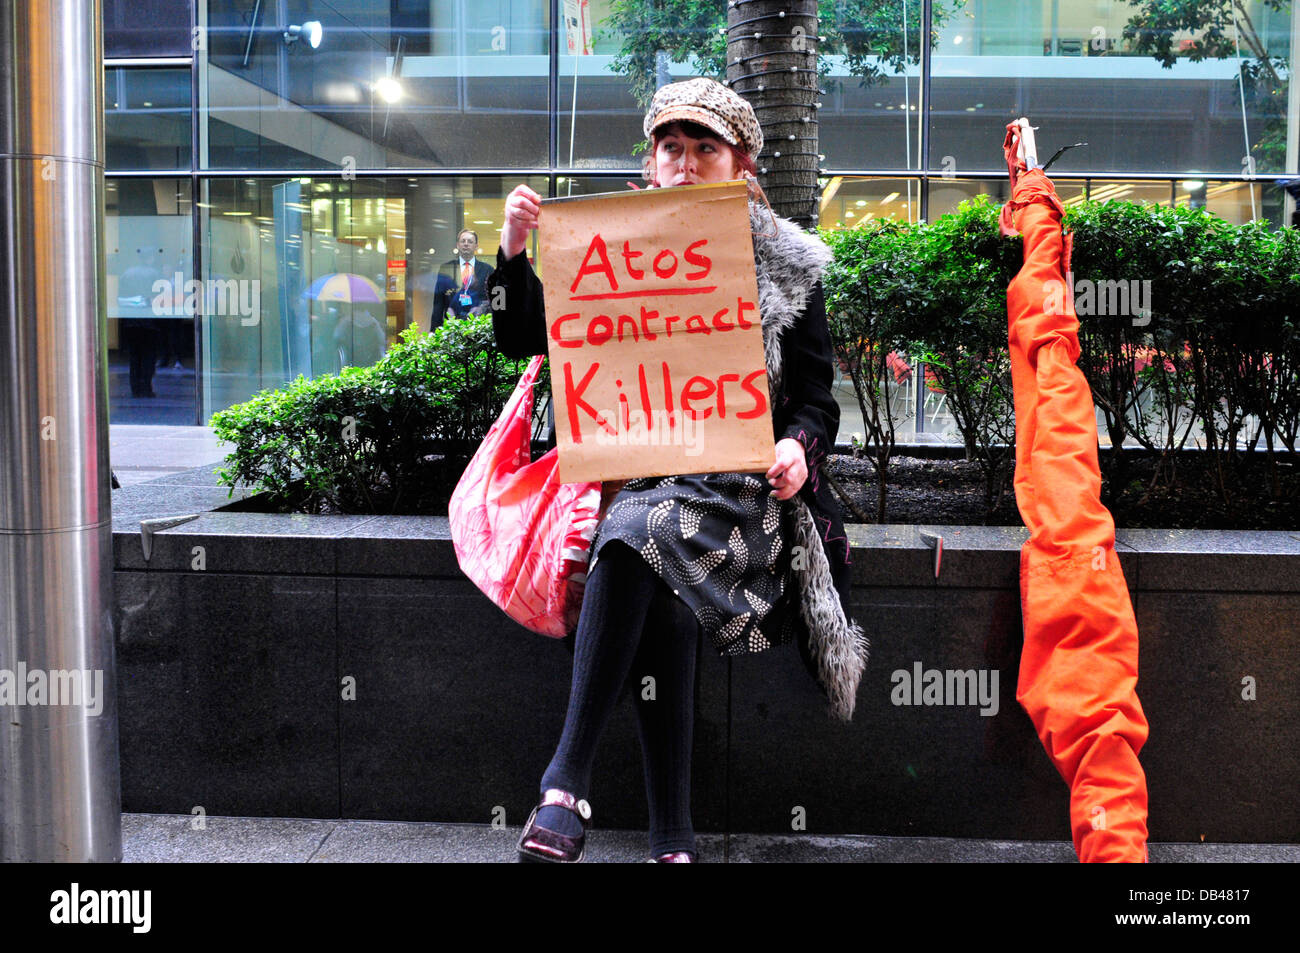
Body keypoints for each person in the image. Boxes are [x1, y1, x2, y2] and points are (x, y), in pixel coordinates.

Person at [488, 77, 868, 863]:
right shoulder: (607, 244)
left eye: (705, 149)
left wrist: (798, 448)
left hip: (741, 496)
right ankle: (673, 839)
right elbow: (519, 335)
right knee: (655, 575)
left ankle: (564, 781)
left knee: (636, 537)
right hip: (635, 478)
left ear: (741, 165)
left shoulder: (789, 266)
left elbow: (819, 401)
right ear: (652, 160)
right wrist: (512, 252)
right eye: (672, 147)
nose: (686, 163)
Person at [432, 229, 495, 329]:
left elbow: (493, 301)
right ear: (457, 245)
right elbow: (438, 302)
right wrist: (434, 330)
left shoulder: (488, 269)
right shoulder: (446, 268)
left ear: (476, 246)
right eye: (463, 241)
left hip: (479, 327)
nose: (466, 244)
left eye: (470, 241)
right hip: (452, 326)